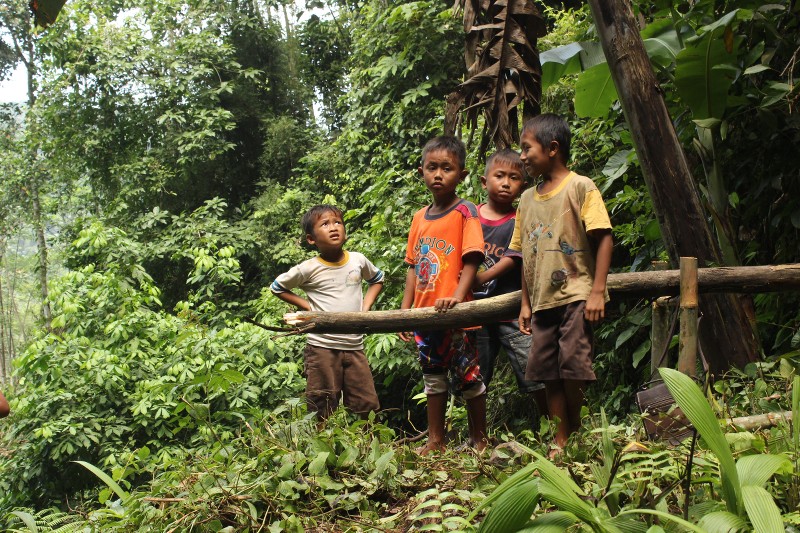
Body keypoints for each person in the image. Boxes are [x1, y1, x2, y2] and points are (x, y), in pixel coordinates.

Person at [508, 114, 613, 456]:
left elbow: (604, 237)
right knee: (547, 370)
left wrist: (597, 291)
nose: (521, 156)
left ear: (552, 148)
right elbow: (523, 255)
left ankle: (576, 427)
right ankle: (560, 436)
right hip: (541, 302)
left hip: (576, 294)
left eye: (527, 148)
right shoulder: (525, 200)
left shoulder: (581, 186)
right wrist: (525, 303)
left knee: (573, 365)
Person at [399, 135, 488, 455]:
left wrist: (458, 297)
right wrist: (404, 311)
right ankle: (436, 440)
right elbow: (412, 266)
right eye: (431, 167)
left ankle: (480, 440)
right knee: (433, 379)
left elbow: (473, 257)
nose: (438, 174)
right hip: (425, 317)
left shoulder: (466, 211)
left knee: (469, 377)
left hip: (457, 316)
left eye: (447, 168)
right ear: (421, 171)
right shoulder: (419, 218)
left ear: (462, 175)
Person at [271, 204, 384, 421]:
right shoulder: (308, 268)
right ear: (311, 239)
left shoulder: (358, 260)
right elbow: (277, 287)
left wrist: (365, 309)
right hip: (322, 348)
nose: (333, 228)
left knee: (367, 404)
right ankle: (321, 447)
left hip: (354, 346)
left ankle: (368, 447)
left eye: (338, 222)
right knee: (321, 403)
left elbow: (377, 280)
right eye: (325, 224)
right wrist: (308, 308)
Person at [473, 149, 547, 423]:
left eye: (514, 178)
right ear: (484, 181)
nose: (505, 182)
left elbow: (516, 258)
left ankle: (553, 427)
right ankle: (476, 435)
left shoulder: (520, 219)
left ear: (523, 186)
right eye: (499, 176)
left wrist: (481, 277)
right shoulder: (471, 216)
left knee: (533, 368)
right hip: (475, 310)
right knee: (475, 375)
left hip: (511, 308)